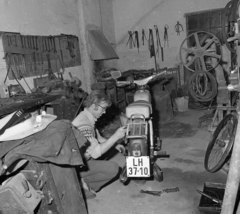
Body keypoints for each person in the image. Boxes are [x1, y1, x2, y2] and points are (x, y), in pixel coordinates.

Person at [72, 90, 126, 199]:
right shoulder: (84, 125)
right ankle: (81, 182)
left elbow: (99, 138)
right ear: (93, 106)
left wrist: (115, 144)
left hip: (82, 157)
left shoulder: (87, 117)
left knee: (109, 147)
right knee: (114, 168)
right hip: (77, 165)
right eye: (103, 108)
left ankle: (85, 176)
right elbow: (96, 153)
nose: (105, 112)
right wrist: (115, 136)